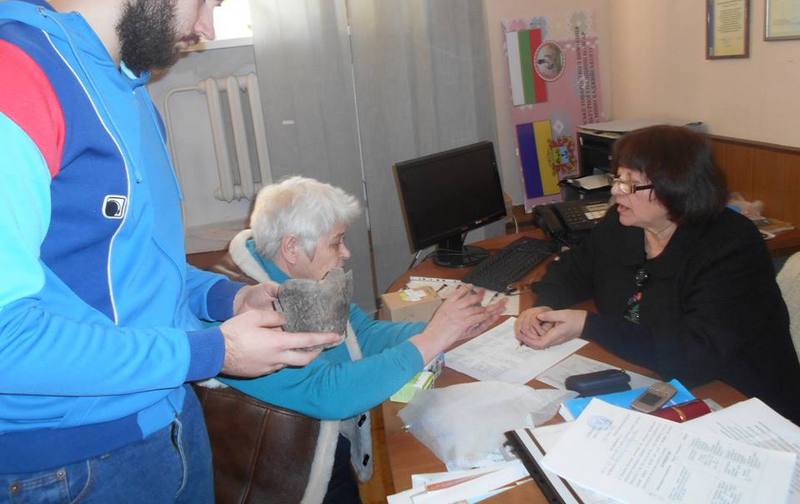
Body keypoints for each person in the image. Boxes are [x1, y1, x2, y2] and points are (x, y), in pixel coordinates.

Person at [0, 0, 339, 502]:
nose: (208, 28)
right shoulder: (18, 77)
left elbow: (137, 270)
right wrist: (215, 350)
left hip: (171, 423)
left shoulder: (128, 90)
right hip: (71, 464)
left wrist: (229, 298)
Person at [202, 176, 505, 503]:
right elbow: (327, 391)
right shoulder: (239, 317)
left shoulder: (300, 276)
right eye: (336, 242)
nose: (345, 253)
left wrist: (448, 328)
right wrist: (433, 338)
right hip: (283, 485)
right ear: (291, 247)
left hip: (323, 448)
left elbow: (363, 335)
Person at [515, 125, 800, 424]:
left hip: (744, 401)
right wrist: (543, 306)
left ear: (676, 188)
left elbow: (696, 355)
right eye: (617, 179)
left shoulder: (731, 246)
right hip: (654, 377)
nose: (615, 191)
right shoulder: (622, 224)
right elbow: (572, 270)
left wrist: (588, 325)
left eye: (631, 184)